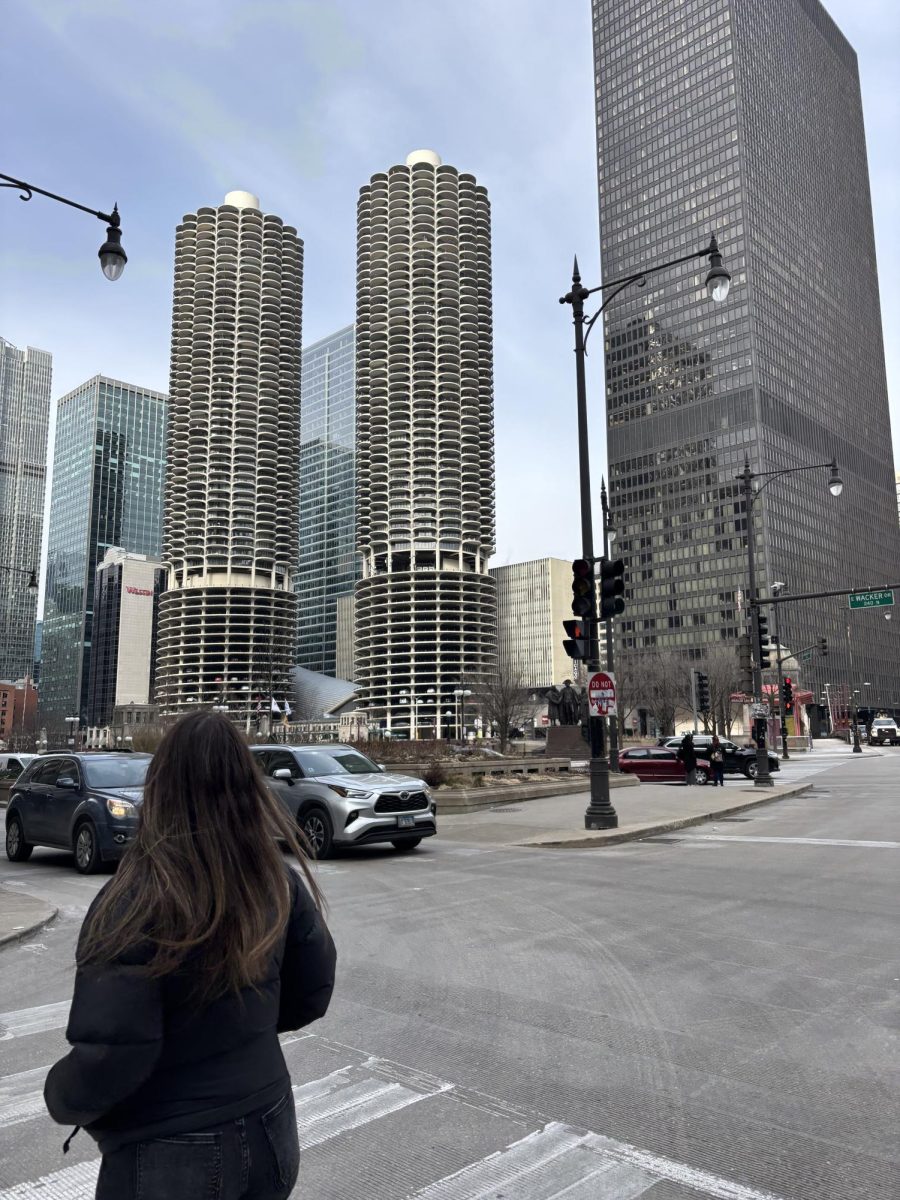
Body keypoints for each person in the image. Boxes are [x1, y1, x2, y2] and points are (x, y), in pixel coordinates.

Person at [44, 711, 336, 1200]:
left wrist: (61, 1096)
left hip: (169, 1145)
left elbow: (114, 1053)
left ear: (160, 785)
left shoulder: (136, 895)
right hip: (271, 1127)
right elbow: (312, 992)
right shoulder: (276, 879)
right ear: (248, 787)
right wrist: (242, 1028)